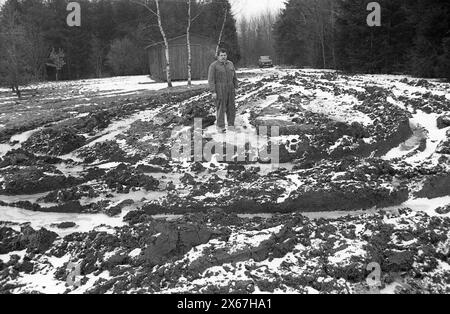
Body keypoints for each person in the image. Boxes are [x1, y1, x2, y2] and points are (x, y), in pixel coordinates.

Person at [208, 48, 238, 133]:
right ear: (218, 56)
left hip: (230, 87)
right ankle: (220, 126)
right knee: (221, 107)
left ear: (226, 55)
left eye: (224, 55)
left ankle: (231, 124)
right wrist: (213, 91)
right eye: (221, 55)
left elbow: (234, 76)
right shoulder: (214, 65)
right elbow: (211, 80)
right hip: (220, 88)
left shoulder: (230, 64)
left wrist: (236, 86)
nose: (223, 57)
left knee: (231, 107)